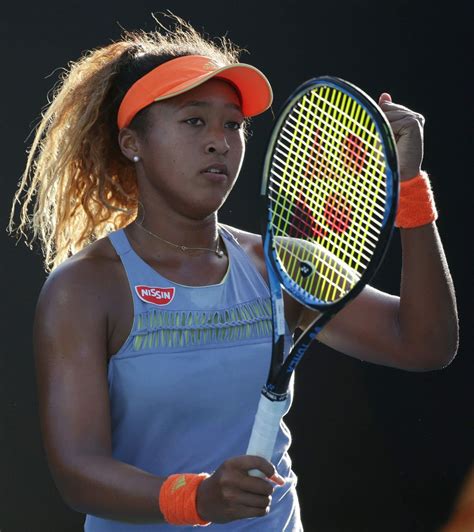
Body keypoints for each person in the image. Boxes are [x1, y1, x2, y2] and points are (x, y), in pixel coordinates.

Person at [9, 14, 458, 531]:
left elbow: (424, 343)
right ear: (133, 143)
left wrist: (409, 187)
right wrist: (197, 499)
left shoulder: (279, 264)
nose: (220, 141)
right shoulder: (83, 288)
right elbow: (77, 472)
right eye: (194, 120)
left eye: (234, 124)